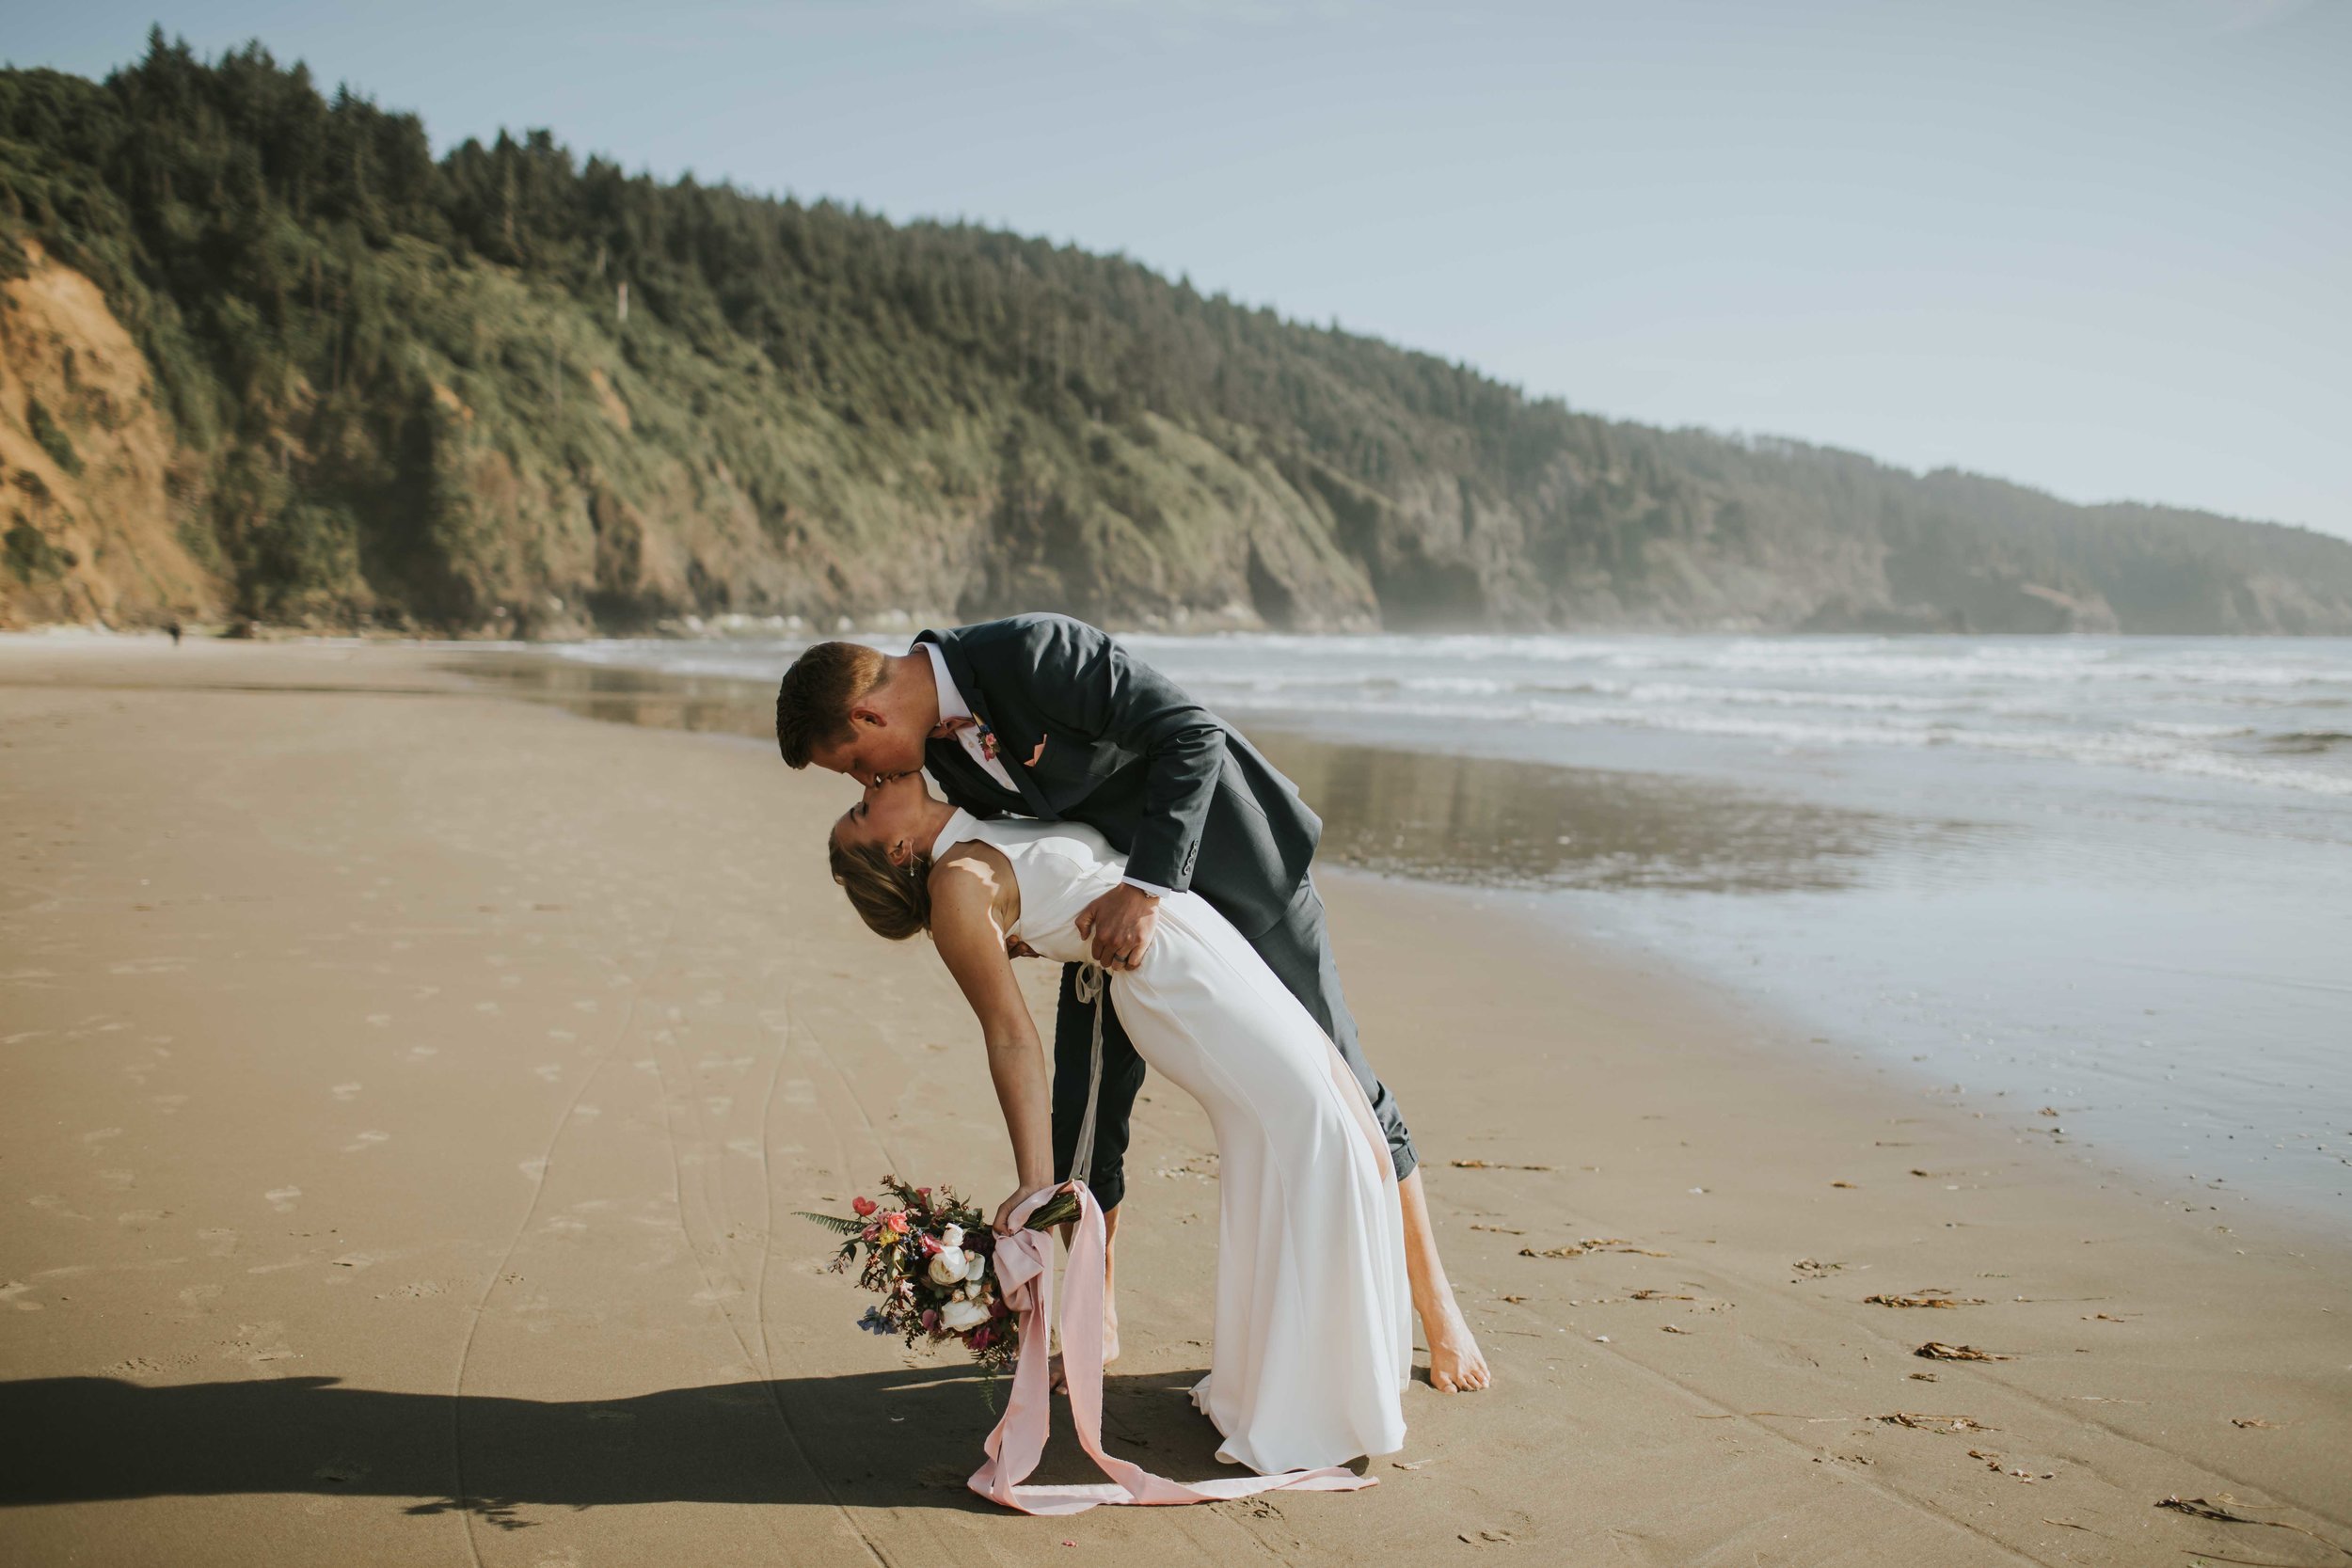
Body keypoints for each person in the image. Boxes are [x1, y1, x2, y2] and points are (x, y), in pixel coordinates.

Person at [775, 612, 1490, 1394]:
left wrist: (1145, 890)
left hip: (1223, 867)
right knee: (1085, 1107)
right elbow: (1015, 832)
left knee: (1343, 1071)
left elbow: (1189, 732)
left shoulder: (1029, 653)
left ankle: (1436, 1301)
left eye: (850, 765)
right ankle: (1098, 1312)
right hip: (1102, 921)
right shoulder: (937, 751)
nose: (863, 782)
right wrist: (1014, 914)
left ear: (867, 715)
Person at [829, 769, 1410, 1473]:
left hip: (1201, 943)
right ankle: (1310, 1401)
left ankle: (1291, 1381)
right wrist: (1038, 1182)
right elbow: (1009, 1035)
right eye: (863, 808)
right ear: (895, 848)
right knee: (1314, 1128)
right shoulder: (956, 887)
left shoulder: (976, 818)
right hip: (1175, 980)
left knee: (1316, 1123)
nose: (872, 784)